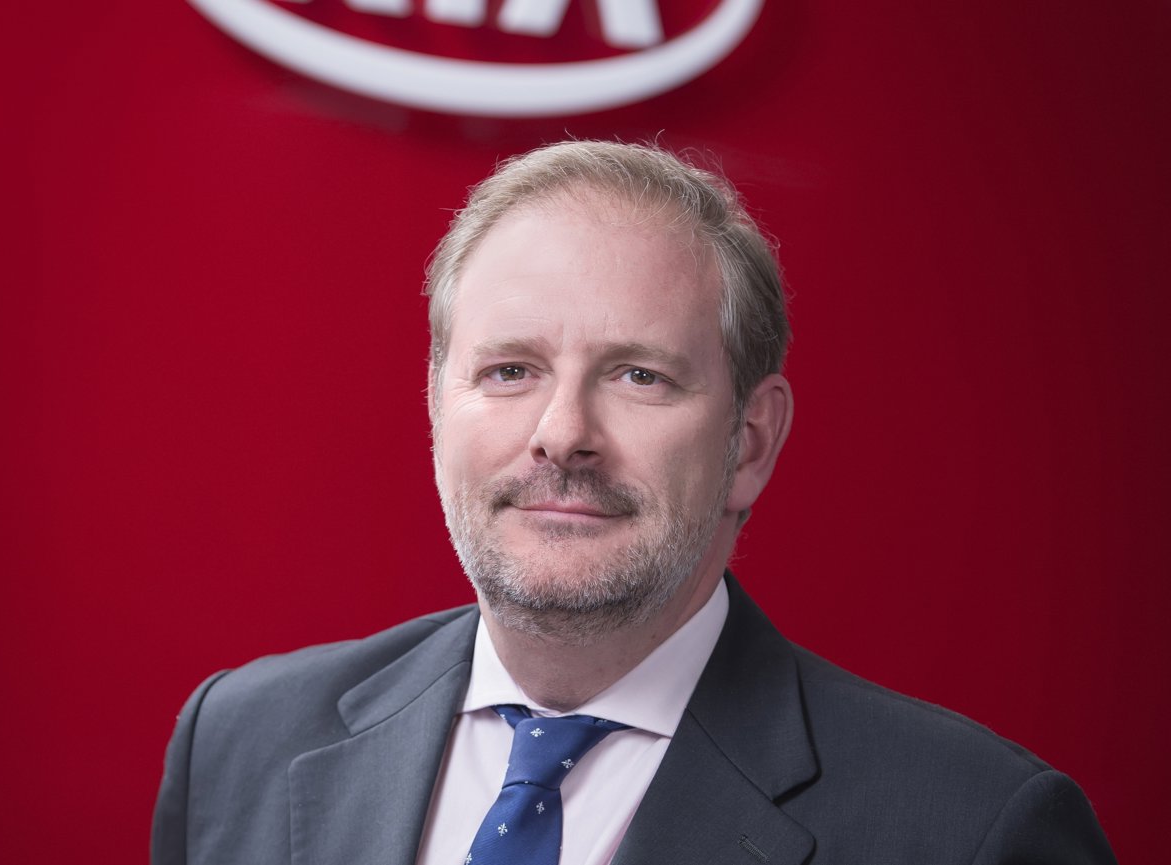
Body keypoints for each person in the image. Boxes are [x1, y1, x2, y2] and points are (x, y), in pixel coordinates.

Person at [152, 140, 1116, 865]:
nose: (562, 432)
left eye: (639, 376)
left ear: (750, 441)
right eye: (510, 368)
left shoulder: (974, 830)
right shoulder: (239, 742)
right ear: (437, 406)